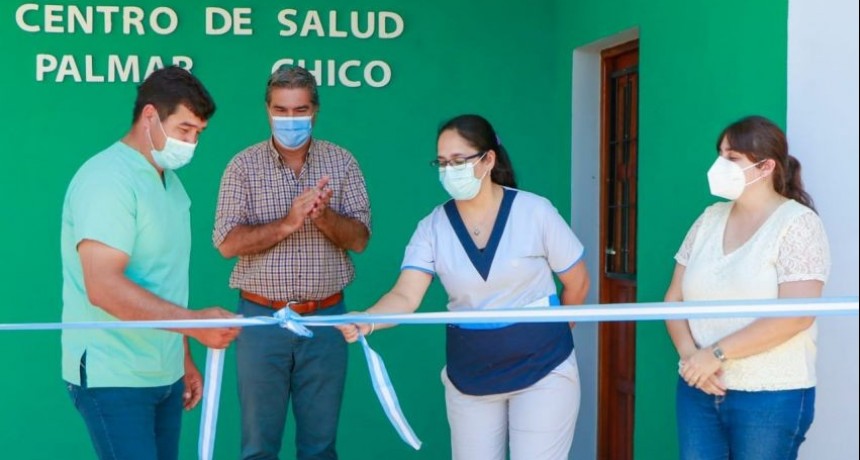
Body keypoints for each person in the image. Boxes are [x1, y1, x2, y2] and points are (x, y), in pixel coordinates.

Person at [338, 114, 589, 460]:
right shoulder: (433, 227)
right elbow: (405, 295)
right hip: (470, 374)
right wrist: (367, 319)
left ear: (488, 159)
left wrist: (552, 331)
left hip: (543, 368)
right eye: (442, 163)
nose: (448, 170)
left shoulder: (535, 212)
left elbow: (577, 282)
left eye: (458, 161)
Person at [61, 66, 241, 460]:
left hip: (164, 374)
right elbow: (103, 286)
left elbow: (164, 281)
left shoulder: (169, 182)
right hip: (114, 376)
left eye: (198, 133)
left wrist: (182, 358)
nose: (192, 142)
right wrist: (196, 326)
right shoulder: (107, 180)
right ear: (149, 117)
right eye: (184, 129)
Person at [213, 64, 371, 460]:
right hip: (261, 322)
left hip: (326, 319)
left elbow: (361, 240)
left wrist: (323, 217)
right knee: (257, 449)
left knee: (320, 448)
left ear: (315, 110)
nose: (290, 119)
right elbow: (227, 244)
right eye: (281, 110)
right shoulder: (242, 166)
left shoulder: (343, 163)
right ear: (267, 110)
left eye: (299, 110)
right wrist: (288, 222)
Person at [664, 115, 831, 459]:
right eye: (720, 154)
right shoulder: (710, 218)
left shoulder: (798, 224)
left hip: (769, 398)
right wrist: (691, 359)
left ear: (765, 166)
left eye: (732, 158)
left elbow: (796, 316)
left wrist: (715, 355)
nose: (719, 165)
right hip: (699, 389)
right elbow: (673, 298)